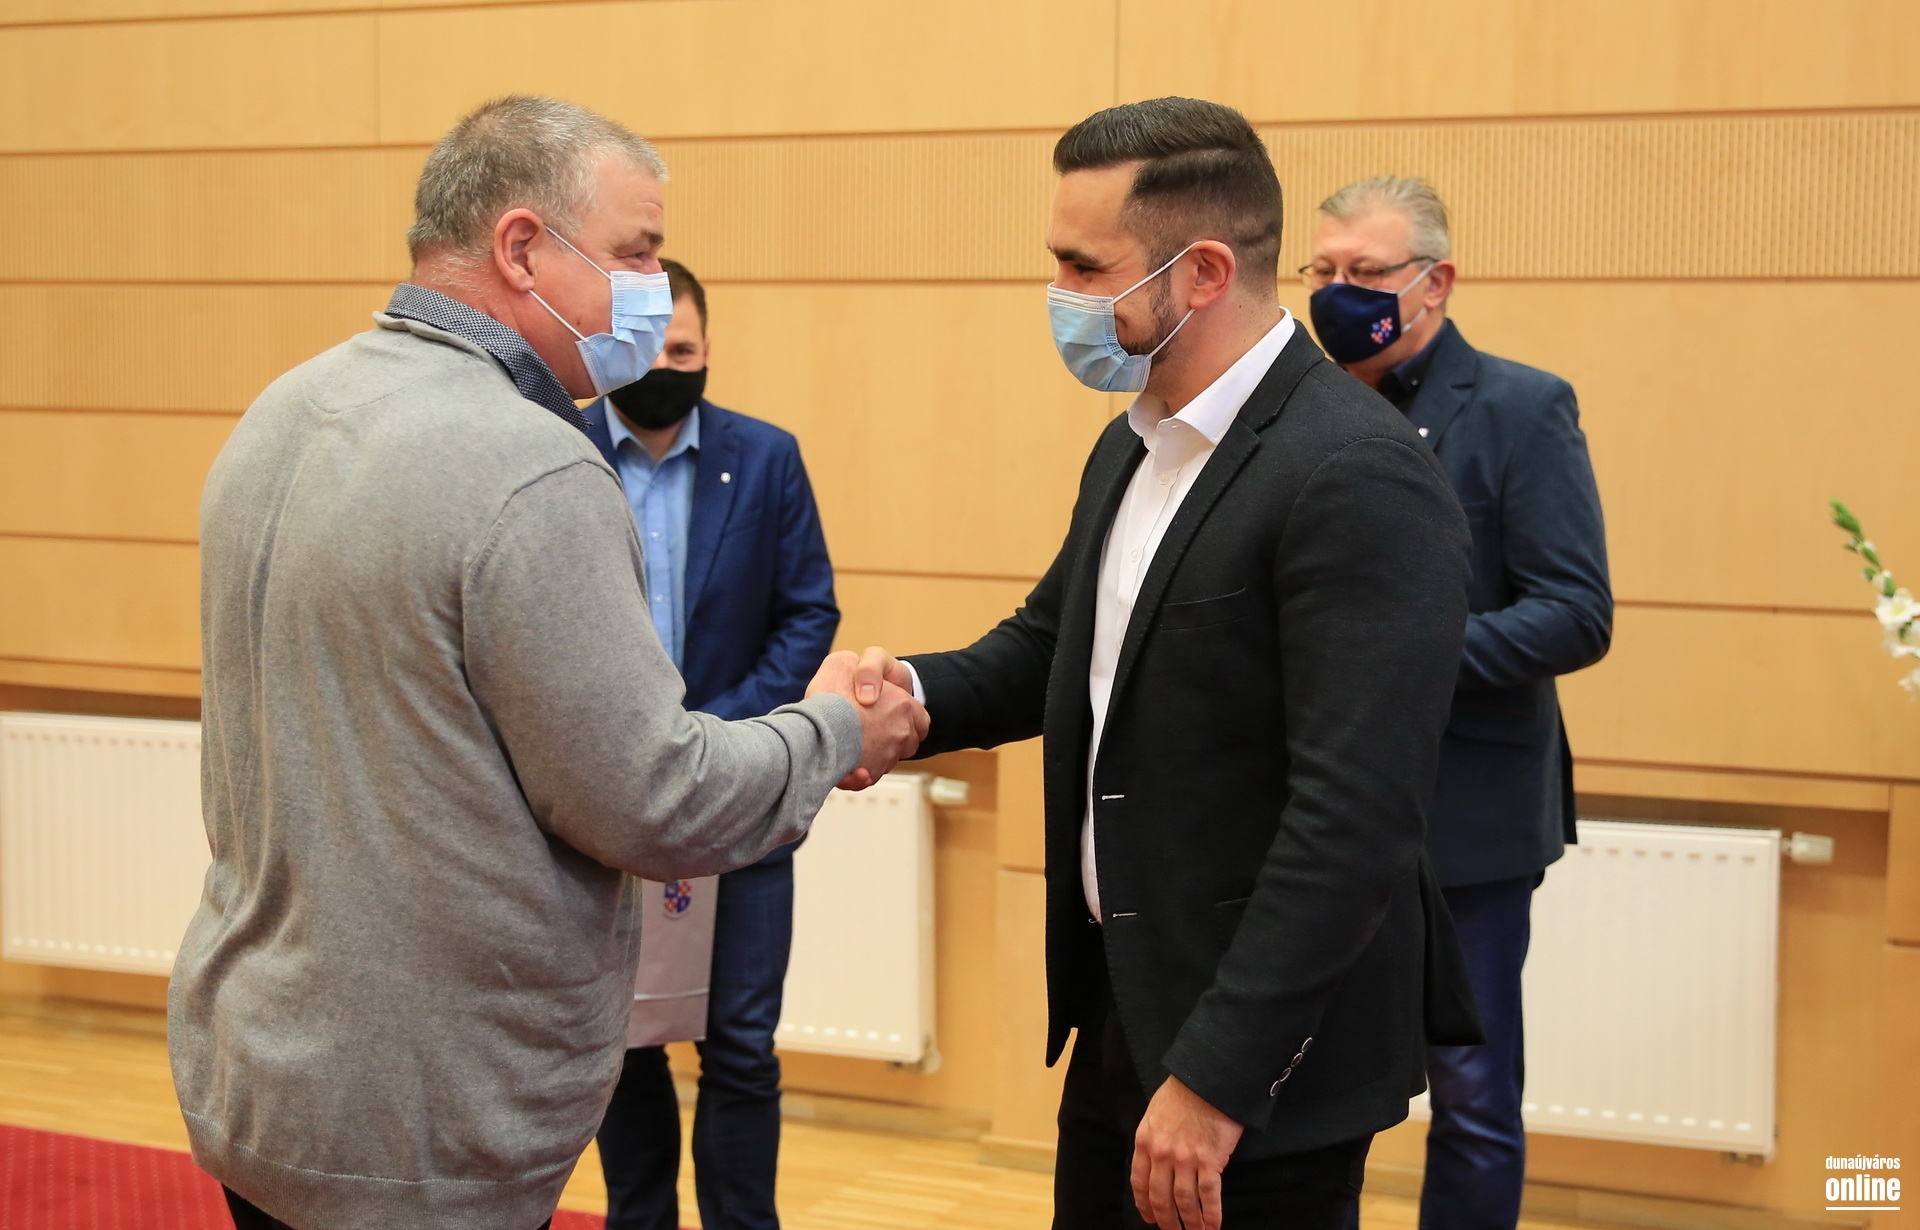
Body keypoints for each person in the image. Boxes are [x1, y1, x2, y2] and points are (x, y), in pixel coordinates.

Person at [170, 95, 925, 1230]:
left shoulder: (288, 406)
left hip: (263, 1070)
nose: (655, 290)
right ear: (522, 247)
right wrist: (835, 730)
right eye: (638, 252)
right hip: (421, 1113)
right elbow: (657, 802)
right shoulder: (534, 466)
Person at [845, 97, 1483, 1230]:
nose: (1059, 295)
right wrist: (906, 700)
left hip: (1254, 1061)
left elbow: (1355, 816)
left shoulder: (1355, 473)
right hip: (1125, 1009)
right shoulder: (1135, 441)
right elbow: (1056, 644)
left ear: (1201, 273)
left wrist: (1220, 1077)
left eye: (1084, 267)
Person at [1305, 176, 1611, 1230]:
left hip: (1469, 817)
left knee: (1473, 1096)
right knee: (1294, 1078)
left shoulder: (1523, 408)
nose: (1338, 291)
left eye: (1366, 272)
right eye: (1322, 270)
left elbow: (1575, 613)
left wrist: (1405, 658)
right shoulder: (1296, 406)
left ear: (1435, 282)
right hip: (1318, 806)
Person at [581, 259, 836, 1230]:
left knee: (740, 1047)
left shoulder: (766, 457)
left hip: (743, 795)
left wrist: (715, 733)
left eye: (681, 350)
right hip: (609, 803)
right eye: (646, 350)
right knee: (625, 1044)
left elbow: (808, 615)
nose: (664, 367)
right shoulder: (559, 452)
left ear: (707, 350)